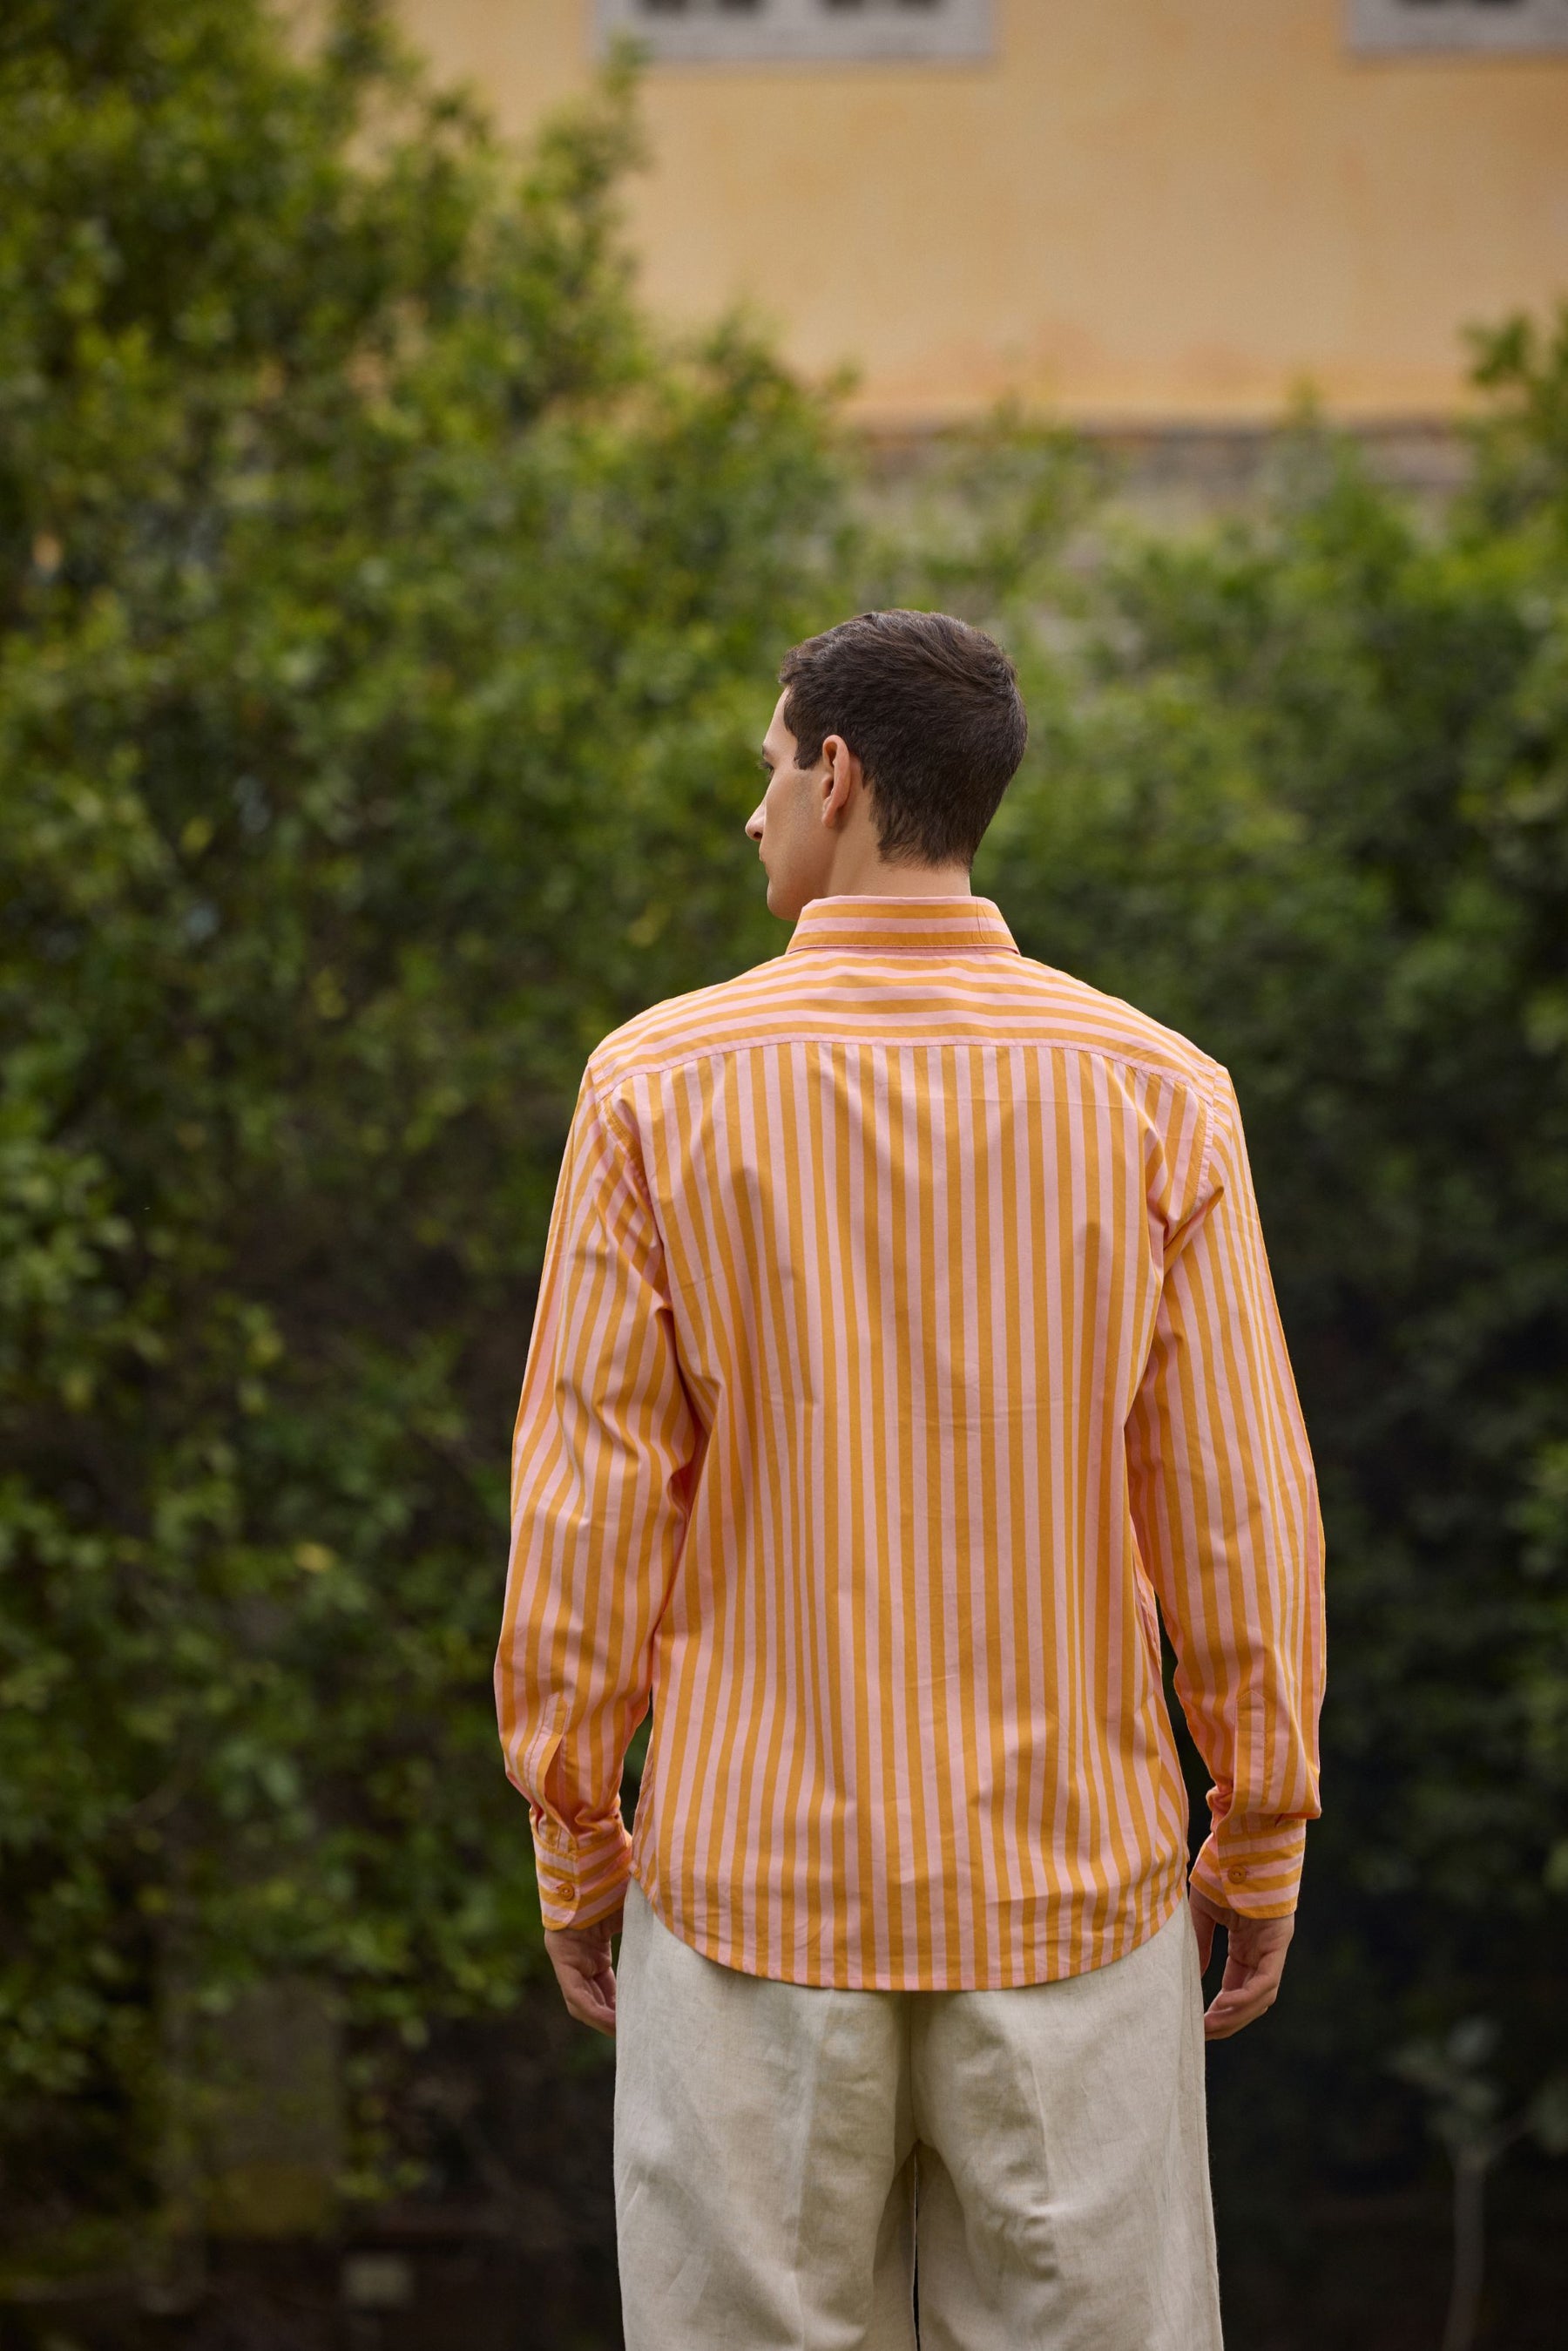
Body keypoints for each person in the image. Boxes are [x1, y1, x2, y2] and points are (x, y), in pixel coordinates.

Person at [495, 608, 1324, 2350]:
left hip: (743, 1904)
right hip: (1078, 1906)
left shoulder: (653, 1086)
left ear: (840, 773)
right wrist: (1258, 1817)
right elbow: (1237, 1510)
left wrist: (577, 1832)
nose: (753, 810)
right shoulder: (1162, 1094)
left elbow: (587, 1509)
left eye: (766, 764)